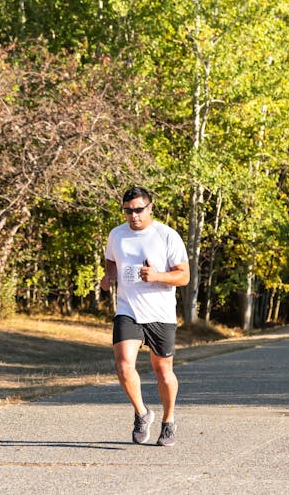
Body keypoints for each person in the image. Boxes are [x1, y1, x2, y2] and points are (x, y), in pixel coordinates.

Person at [100, 186, 190, 447]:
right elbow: (111, 261)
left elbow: (183, 276)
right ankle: (141, 413)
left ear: (150, 207)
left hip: (160, 312)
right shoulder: (116, 235)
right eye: (128, 211)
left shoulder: (166, 236)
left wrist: (158, 276)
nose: (133, 216)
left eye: (138, 210)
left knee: (163, 372)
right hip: (128, 309)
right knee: (124, 365)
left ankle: (169, 420)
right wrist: (109, 278)